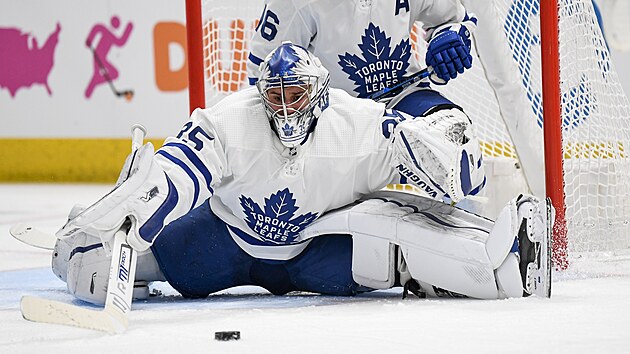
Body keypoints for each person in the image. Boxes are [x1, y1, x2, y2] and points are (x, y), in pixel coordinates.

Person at [52, 42, 549, 306]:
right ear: (262, 94)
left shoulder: (357, 124)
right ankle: (71, 248)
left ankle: (501, 265)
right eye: (277, 95)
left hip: (318, 248)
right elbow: (179, 171)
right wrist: (122, 223)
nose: (286, 107)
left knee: (389, 227)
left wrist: (449, 159)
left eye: (298, 95)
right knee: (132, 257)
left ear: (321, 93)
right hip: (226, 241)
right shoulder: (232, 120)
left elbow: (448, 174)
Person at [246, 0, 484, 196]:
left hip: (404, 95)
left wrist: (449, 40)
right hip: (334, 115)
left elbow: (458, 19)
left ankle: (462, 238)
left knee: (459, 151)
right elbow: (263, 71)